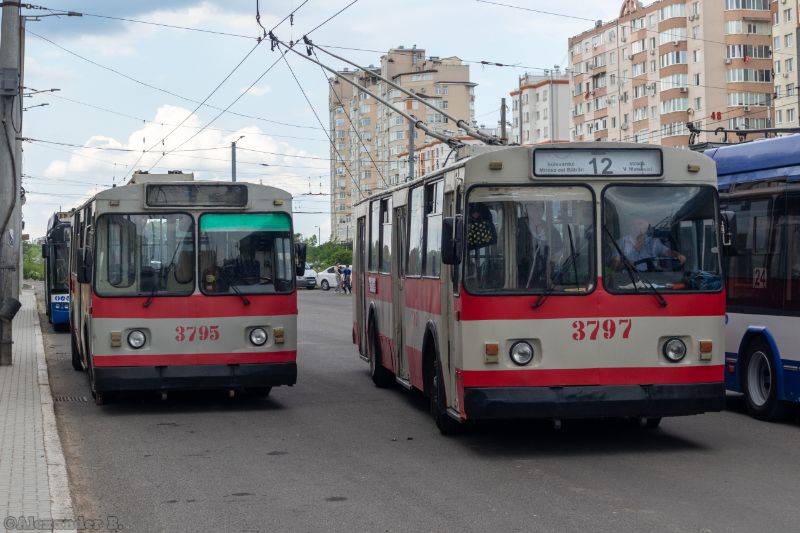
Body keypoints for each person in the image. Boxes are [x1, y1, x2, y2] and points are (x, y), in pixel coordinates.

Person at [612, 218, 685, 272]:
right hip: (628, 279)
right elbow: (614, 267)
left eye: (641, 224)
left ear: (646, 227)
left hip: (650, 279)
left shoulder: (654, 242)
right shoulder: (621, 242)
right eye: (636, 224)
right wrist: (624, 265)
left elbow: (668, 252)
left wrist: (678, 255)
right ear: (631, 227)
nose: (639, 227)